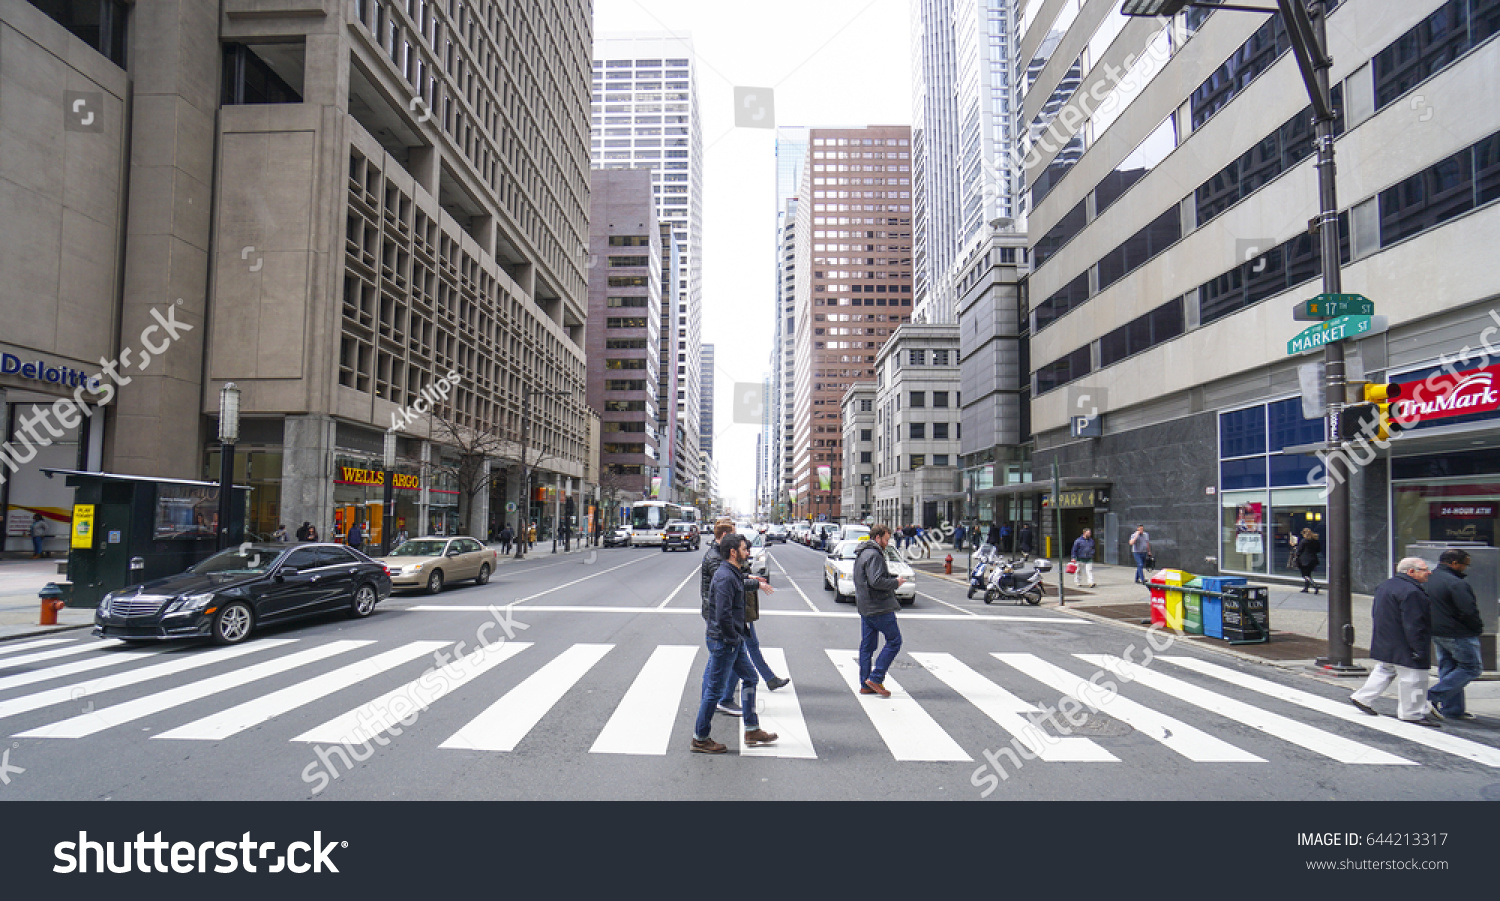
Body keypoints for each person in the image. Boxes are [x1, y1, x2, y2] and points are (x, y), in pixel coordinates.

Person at [691, 532, 778, 753]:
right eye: (744, 549)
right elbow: (722, 615)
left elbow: (741, 583)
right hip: (725, 641)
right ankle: (700, 737)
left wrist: (756, 583)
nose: (748, 552)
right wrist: (731, 639)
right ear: (733, 552)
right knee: (714, 690)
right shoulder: (724, 577)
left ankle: (751, 728)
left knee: (749, 677)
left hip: (732, 639)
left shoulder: (732, 573)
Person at [1350, 558, 1440, 727]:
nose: (1429, 572)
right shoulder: (1413, 592)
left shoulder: (1386, 585)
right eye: (1424, 569)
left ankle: (1363, 697)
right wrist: (1419, 648)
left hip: (1386, 638)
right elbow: (1415, 623)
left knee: (1385, 669)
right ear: (1411, 572)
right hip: (1405, 642)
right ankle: (1411, 712)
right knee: (1415, 678)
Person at [1426, 550, 1483, 722]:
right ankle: (1431, 697)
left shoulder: (1428, 579)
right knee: (1471, 668)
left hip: (1436, 631)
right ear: (1454, 563)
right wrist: (1477, 628)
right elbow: (1468, 610)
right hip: (1458, 632)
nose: (1466, 568)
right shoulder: (1456, 583)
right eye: (1465, 564)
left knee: (1449, 668)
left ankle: (1452, 709)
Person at [854, 524, 907, 698]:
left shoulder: (862, 553)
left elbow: (869, 579)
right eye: (885, 539)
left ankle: (865, 684)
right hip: (879, 607)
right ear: (877, 538)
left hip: (865, 607)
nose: (887, 542)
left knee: (867, 647)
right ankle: (876, 678)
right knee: (894, 641)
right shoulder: (874, 554)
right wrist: (895, 583)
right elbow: (876, 581)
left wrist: (890, 578)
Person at [1291, 528, 1321, 593]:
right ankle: (1306, 588)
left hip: (1304, 560)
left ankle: (1314, 585)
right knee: (1308, 574)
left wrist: (1295, 548)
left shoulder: (1304, 541)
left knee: (1305, 575)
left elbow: (1299, 550)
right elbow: (1318, 550)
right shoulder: (1315, 541)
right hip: (1313, 559)